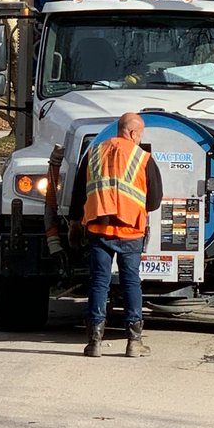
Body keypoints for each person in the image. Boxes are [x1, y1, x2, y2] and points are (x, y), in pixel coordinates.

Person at [68, 112, 163, 358]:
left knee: (99, 281)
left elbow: (78, 193)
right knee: (131, 281)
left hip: (98, 228)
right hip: (130, 229)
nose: (140, 139)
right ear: (133, 133)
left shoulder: (94, 153)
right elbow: (153, 201)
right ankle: (134, 342)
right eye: (140, 134)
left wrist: (75, 222)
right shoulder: (142, 158)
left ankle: (94, 342)